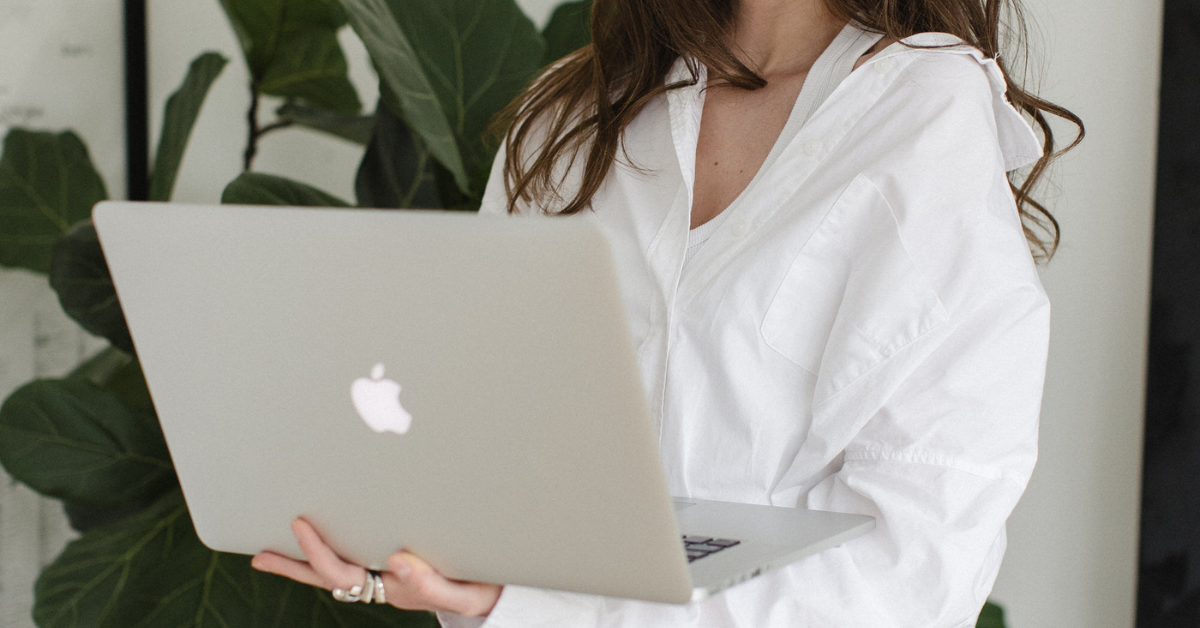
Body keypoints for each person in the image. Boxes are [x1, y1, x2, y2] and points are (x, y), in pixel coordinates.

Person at [250, 0, 1083, 625]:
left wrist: (544, 610)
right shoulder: (568, 120)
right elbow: (495, 455)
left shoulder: (923, 118)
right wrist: (414, 553)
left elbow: (913, 571)